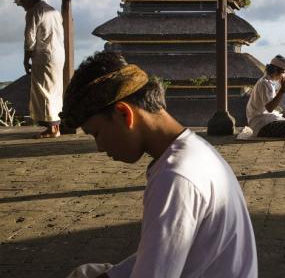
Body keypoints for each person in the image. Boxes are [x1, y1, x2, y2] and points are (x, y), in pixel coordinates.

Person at [61, 51, 257, 278]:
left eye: (97, 133)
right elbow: (169, 250)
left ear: (124, 114)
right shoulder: (195, 150)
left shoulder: (175, 177)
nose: (100, 147)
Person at [14, 0, 64, 139]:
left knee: (44, 91)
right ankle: (56, 126)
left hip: (44, 56)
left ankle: (52, 129)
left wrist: (25, 59)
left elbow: (30, 38)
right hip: (58, 55)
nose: (23, 8)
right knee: (54, 91)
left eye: (22, 4)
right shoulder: (53, 11)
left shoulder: (33, 12)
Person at [246, 55, 285, 139]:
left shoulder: (270, 82)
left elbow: (272, 102)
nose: (284, 75)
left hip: (267, 119)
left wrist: (281, 87)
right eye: (284, 72)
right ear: (276, 70)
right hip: (261, 124)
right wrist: (283, 89)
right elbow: (270, 108)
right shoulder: (264, 83)